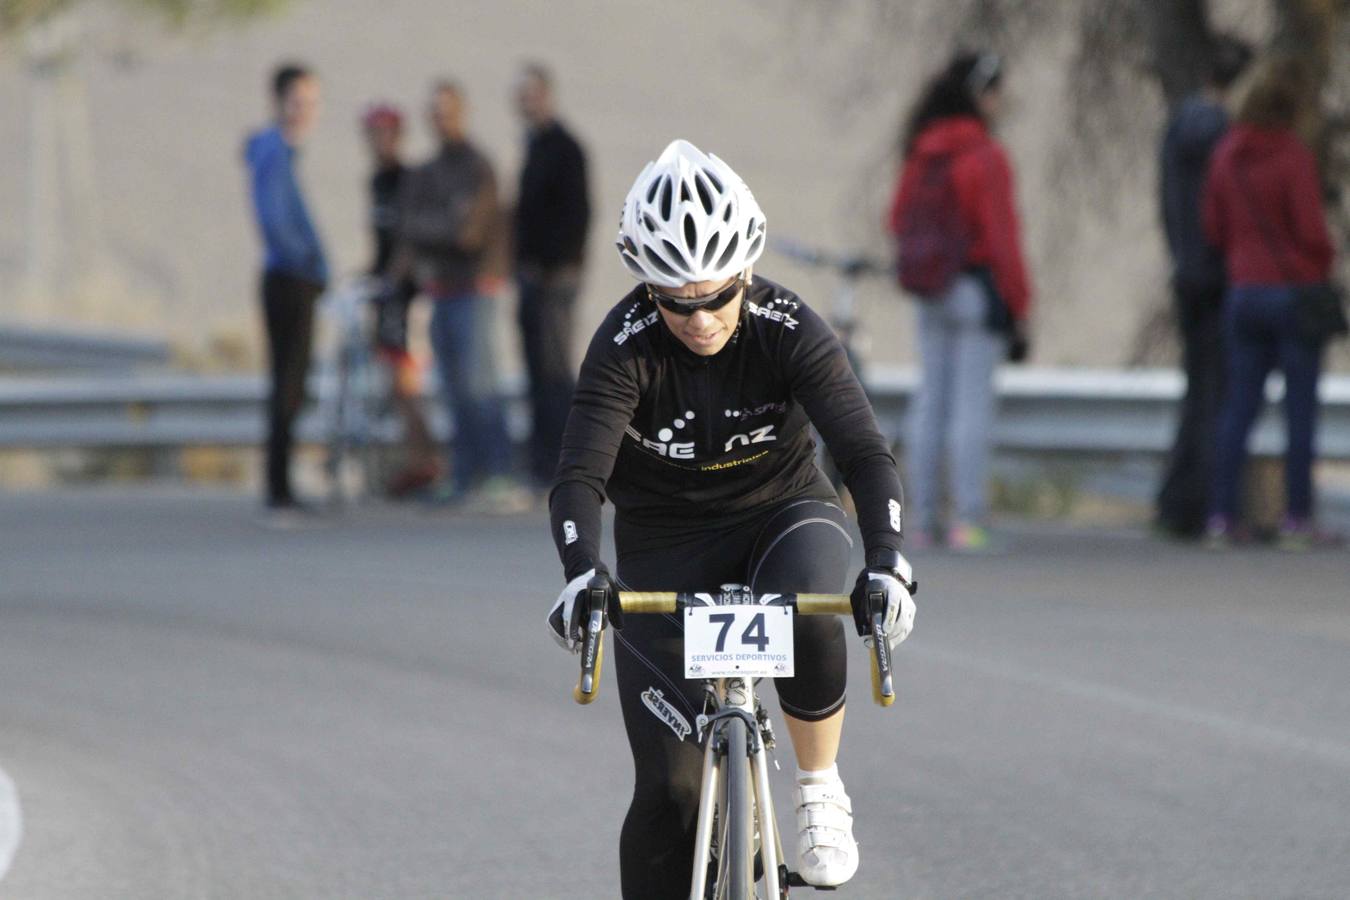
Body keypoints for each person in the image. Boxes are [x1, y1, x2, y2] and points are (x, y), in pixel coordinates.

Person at [545, 140, 917, 897]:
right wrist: (582, 573)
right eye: (676, 302)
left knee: (813, 605)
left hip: (781, 513)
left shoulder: (788, 325)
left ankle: (818, 790)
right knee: (671, 795)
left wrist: (889, 562)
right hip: (664, 543)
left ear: (746, 272)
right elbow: (578, 478)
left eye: (718, 296)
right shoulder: (623, 348)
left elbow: (865, 454)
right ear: (649, 289)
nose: (700, 318)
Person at [888, 51, 1032, 551]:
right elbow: (1001, 238)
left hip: (931, 290)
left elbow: (897, 220)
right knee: (971, 408)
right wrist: (1019, 303)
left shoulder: (922, 151)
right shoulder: (984, 156)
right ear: (981, 94)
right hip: (975, 288)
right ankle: (967, 519)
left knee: (930, 401)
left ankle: (922, 519)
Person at [1202, 55, 1338, 549]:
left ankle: (1221, 515)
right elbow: (1311, 232)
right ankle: (1295, 519)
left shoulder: (1226, 156)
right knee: (1299, 412)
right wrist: (1321, 265)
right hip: (1292, 291)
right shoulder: (1291, 157)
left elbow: (1213, 227)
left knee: (1239, 408)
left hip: (1244, 291)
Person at [391, 81, 522, 507]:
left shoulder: (477, 166)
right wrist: (440, 225)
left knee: (479, 384)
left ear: (463, 112)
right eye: (434, 112)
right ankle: (464, 474)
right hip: (440, 291)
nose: (441, 119)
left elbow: (468, 233)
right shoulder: (427, 171)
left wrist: (436, 227)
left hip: (475, 290)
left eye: (448, 111)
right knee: (450, 386)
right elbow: (409, 225)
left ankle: (500, 474)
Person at [1154, 36, 1254, 539]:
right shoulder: (1227, 138)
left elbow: (1169, 207)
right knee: (1217, 393)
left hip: (1187, 272)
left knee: (1198, 391)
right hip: (1217, 276)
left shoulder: (1177, 128)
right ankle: (1204, 504)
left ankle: (1178, 502)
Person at [244, 62, 328, 514]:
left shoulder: (279, 151)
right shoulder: (274, 151)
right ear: (279, 102)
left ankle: (281, 483)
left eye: (312, 103)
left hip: (293, 277)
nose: (306, 111)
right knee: (288, 383)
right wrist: (310, 264)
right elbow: (276, 223)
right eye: (298, 102)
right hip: (289, 281)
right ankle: (279, 488)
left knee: (291, 382)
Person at [513, 62, 591, 490]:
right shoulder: (533, 147)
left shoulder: (564, 147)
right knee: (536, 373)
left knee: (555, 373)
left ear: (547, 95)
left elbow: (577, 216)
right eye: (521, 95)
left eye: (532, 93)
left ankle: (568, 465)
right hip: (532, 279)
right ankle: (542, 464)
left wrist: (555, 269)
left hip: (555, 280)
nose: (526, 102)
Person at [361, 102, 439, 497]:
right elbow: (382, 243)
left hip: (409, 296)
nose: (380, 142)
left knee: (408, 382)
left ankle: (428, 463)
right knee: (395, 383)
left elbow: (411, 241)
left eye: (387, 133)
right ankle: (416, 461)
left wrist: (394, 279)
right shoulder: (377, 181)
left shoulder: (409, 180)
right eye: (373, 134)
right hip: (387, 295)